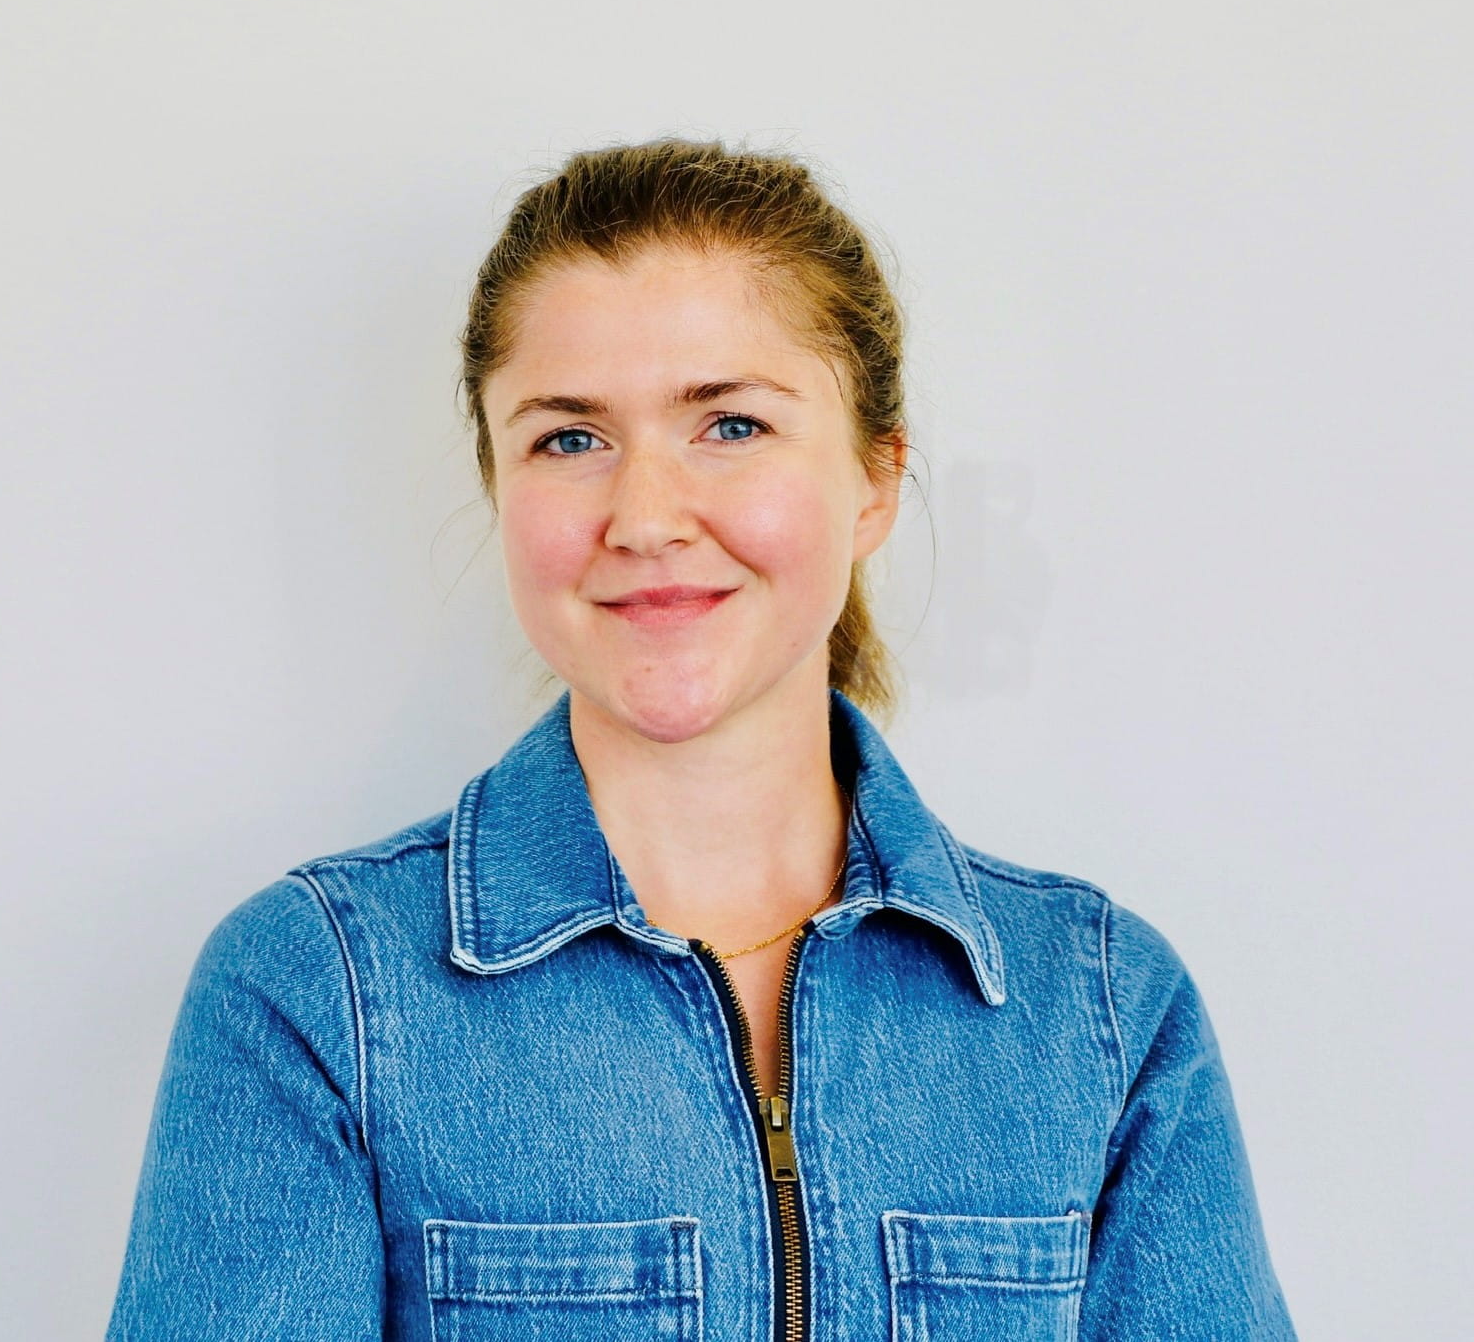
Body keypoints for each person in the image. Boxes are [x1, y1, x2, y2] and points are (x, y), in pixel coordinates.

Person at [105, 139, 1296, 1341]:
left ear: (876, 480)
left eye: (728, 425)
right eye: (568, 439)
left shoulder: (1098, 1005)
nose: (645, 517)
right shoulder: (318, 992)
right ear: (497, 485)